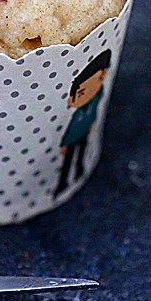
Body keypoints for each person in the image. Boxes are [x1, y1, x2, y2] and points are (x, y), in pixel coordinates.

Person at [54, 49, 111, 198]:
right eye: (80, 93)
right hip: (72, 138)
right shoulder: (78, 112)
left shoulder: (95, 98)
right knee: (68, 159)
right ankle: (63, 181)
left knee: (81, 150)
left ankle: (78, 169)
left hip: (83, 134)